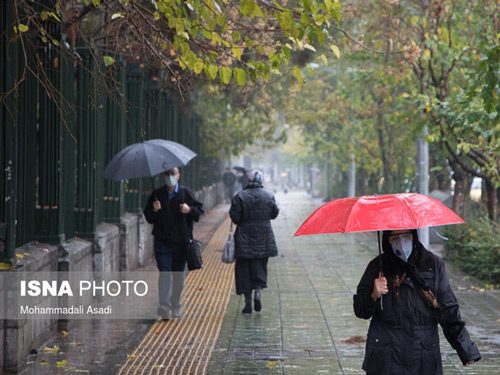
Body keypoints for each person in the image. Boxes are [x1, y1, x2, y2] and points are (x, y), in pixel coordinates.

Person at [353, 229, 480, 374]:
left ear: (414, 236)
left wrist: (465, 349)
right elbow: (360, 310)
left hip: (423, 353)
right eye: (394, 238)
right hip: (386, 355)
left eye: (406, 236)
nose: (401, 242)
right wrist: (373, 294)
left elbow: (448, 309)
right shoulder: (378, 266)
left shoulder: (432, 264)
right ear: (386, 239)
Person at [143, 167, 203, 320]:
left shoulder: (185, 193)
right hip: (162, 242)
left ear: (178, 176)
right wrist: (155, 210)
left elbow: (199, 212)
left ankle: (175, 304)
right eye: (167, 174)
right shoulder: (157, 194)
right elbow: (148, 217)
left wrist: (189, 210)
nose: (169, 177)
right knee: (164, 273)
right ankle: (164, 306)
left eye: (172, 174)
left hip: (181, 243)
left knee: (178, 277)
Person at [229, 169, 279, 314]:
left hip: (244, 239)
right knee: (260, 267)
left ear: (248, 180)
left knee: (244, 270)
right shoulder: (269, 195)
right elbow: (274, 214)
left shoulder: (240, 196)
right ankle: (258, 291)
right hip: (264, 239)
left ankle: (247, 304)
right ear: (261, 181)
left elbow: (236, 218)